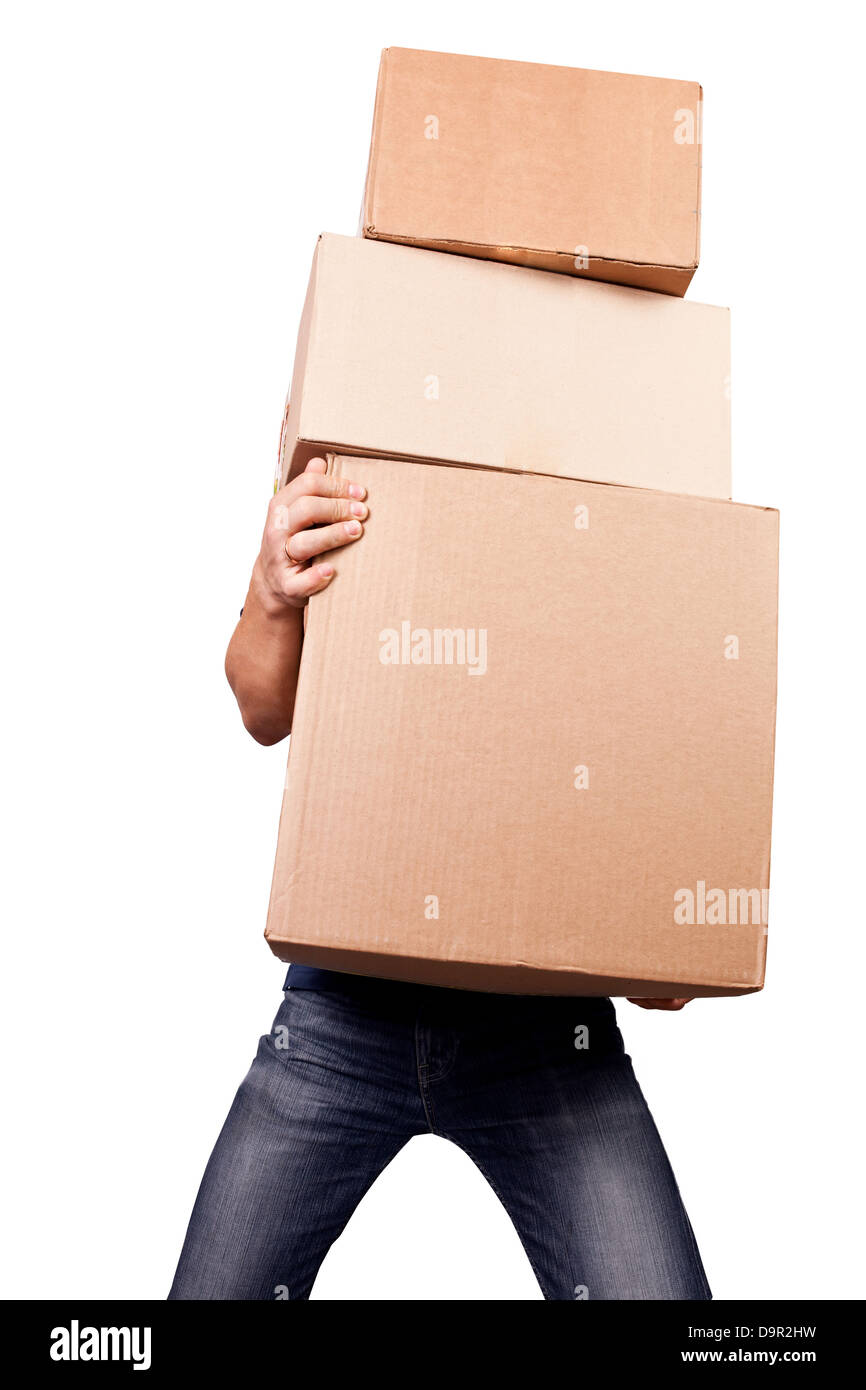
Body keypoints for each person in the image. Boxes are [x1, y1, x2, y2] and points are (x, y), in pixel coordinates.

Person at [168, 457, 710, 1301]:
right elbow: (262, 708)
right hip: (339, 1019)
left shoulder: (601, 483)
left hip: (545, 1034)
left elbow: (649, 720)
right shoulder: (365, 450)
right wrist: (273, 590)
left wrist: (653, 929)